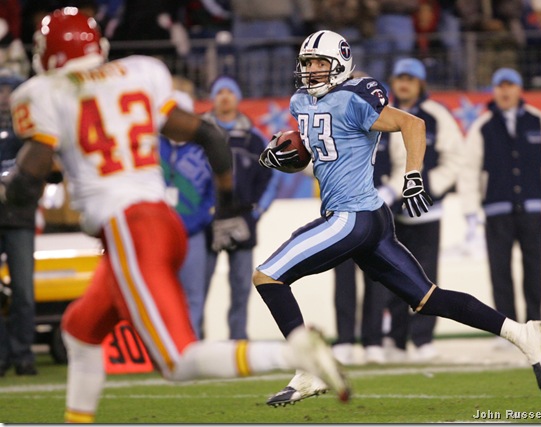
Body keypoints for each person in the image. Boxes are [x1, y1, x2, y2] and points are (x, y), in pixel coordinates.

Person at [1, 9, 349, 422]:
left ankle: (294, 353)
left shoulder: (44, 91)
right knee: (79, 331)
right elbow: (208, 134)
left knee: (176, 361)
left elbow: (31, 176)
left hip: (128, 227)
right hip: (161, 223)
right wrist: (226, 205)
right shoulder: (138, 72)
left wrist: (12, 188)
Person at [255, 30, 541, 407]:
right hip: (370, 218)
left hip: (353, 216)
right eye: (307, 63)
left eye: (320, 63)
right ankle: (522, 335)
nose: (311, 71)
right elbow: (327, 148)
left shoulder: (354, 97)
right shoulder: (301, 102)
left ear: (341, 63)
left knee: (268, 274)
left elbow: (413, 125)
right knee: (427, 297)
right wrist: (289, 155)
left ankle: (308, 369)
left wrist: (413, 175)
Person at [459, 68, 541, 326]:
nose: (505, 91)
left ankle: (535, 324)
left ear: (519, 89)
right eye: (500, 86)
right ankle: (508, 328)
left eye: (510, 86)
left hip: (531, 210)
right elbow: (469, 170)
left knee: (534, 269)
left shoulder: (539, 121)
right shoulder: (482, 126)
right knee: (500, 271)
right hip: (497, 212)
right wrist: (470, 211)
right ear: (494, 90)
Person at [374, 57, 464, 362]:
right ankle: (396, 339)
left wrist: (430, 187)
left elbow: (455, 159)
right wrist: (385, 190)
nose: (404, 84)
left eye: (410, 79)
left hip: (427, 212)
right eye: (399, 78)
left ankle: (423, 338)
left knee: (426, 276)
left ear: (420, 83)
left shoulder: (438, 116)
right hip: (391, 211)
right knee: (395, 272)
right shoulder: (381, 116)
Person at [202, 75, 274, 340]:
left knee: (242, 286)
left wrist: (257, 211)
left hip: (243, 218)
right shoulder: (201, 133)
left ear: (237, 98)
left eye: (229, 91)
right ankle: (194, 344)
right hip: (206, 221)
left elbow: (272, 176)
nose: (224, 96)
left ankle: (238, 342)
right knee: (198, 286)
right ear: (213, 98)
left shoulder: (254, 138)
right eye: (219, 91)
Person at [159, 87, 215, 337]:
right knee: (159, 291)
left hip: (192, 233)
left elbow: (213, 192)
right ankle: (162, 347)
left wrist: (198, 221)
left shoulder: (204, 147)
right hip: (158, 233)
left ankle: (188, 345)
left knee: (193, 294)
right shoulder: (151, 144)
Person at [0, 72, 38, 377]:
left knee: (24, 290)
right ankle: (3, 354)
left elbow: (41, 166)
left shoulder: (29, 128)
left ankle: (24, 354)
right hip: (14, 213)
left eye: (7, 90)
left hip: (20, 216)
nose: (3, 96)